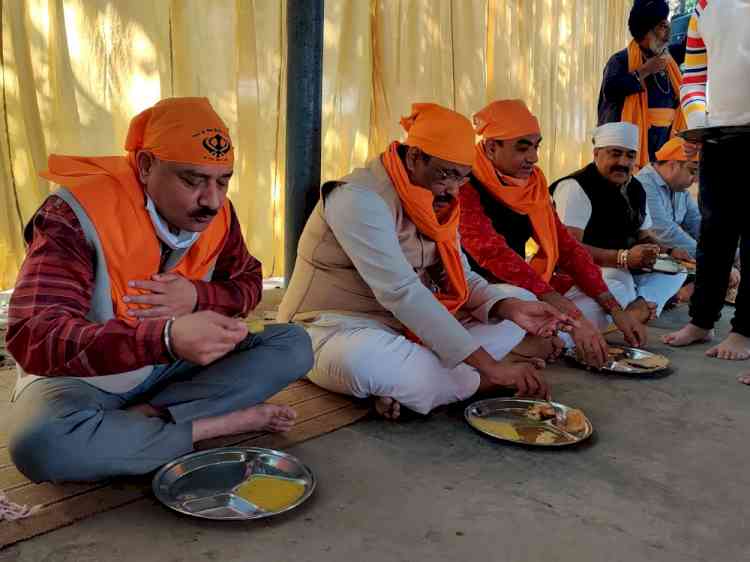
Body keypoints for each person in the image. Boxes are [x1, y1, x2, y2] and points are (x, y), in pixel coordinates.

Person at [5, 97, 314, 483]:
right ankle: (210, 425)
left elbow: (250, 282)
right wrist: (165, 338)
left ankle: (147, 421)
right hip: (86, 381)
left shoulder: (219, 215)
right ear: (146, 166)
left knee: (294, 345)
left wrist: (198, 297)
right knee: (41, 443)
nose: (212, 200)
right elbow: (33, 336)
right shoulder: (74, 213)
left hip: (173, 365)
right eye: (192, 179)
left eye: (223, 180)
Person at [278, 103, 573, 420]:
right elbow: (402, 292)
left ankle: (427, 388)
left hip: (405, 330)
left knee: (521, 301)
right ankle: (478, 383)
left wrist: (511, 309)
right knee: (378, 363)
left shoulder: (438, 201)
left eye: (462, 178)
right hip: (335, 330)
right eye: (446, 174)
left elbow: (464, 279)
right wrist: (492, 368)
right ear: (415, 157)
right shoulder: (359, 198)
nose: (452, 189)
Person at [459, 99, 647, 368]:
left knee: (614, 290)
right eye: (523, 148)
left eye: (536, 146)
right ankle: (533, 343)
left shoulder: (533, 183)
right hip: (476, 294)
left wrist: (615, 310)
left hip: (524, 287)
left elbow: (567, 247)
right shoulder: (464, 182)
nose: (534, 157)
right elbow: (492, 253)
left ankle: (541, 341)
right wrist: (573, 317)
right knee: (524, 301)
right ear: (491, 147)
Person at [662, 0, 750, 375]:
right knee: (714, 234)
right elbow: (695, 75)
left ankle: (744, 330)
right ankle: (701, 320)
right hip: (719, 135)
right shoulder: (704, 6)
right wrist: (698, 122)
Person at [551, 122, 688, 322]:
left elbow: (644, 235)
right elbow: (568, 251)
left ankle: (637, 308)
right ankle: (640, 306)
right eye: (615, 154)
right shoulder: (575, 187)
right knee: (619, 284)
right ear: (596, 154)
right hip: (589, 271)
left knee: (677, 270)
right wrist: (622, 258)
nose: (623, 162)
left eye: (630, 156)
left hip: (627, 266)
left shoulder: (636, 187)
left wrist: (668, 251)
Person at [639, 136, 739, 303]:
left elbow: (698, 225)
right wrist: (716, 263)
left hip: (674, 258)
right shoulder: (644, 184)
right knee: (709, 275)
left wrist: (730, 253)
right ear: (672, 165)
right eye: (693, 171)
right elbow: (666, 233)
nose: (696, 179)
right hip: (651, 259)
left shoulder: (679, 190)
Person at [597, 0, 686, 166]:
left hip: (664, 151)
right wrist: (643, 71)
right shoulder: (621, 60)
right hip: (630, 151)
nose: (668, 28)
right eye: (661, 25)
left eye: (667, 23)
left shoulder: (668, 58)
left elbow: (688, 47)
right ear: (646, 33)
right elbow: (610, 90)